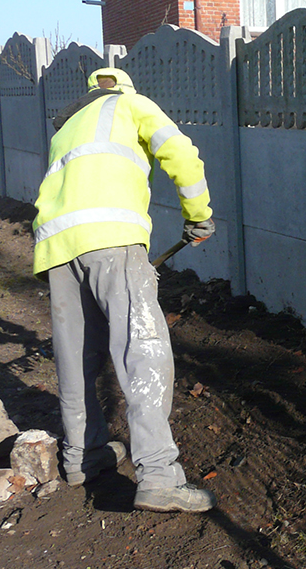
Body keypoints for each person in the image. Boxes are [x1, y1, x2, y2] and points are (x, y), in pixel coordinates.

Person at [33, 67, 217, 513]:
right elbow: (182, 153)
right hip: (113, 240)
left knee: (77, 355)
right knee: (143, 351)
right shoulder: (131, 104)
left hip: (57, 249)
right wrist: (198, 214)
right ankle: (159, 476)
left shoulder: (67, 126)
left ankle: (82, 456)